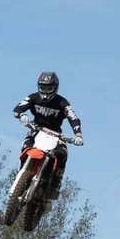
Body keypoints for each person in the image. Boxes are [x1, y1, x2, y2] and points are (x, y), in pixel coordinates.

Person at [12, 71, 84, 201]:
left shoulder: (62, 103)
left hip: (56, 134)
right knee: (25, 146)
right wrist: (22, 115)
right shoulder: (33, 97)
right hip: (35, 129)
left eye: (49, 88)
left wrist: (78, 135)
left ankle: (56, 185)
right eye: (43, 87)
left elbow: (73, 118)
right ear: (39, 86)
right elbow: (17, 108)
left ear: (55, 87)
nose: (45, 91)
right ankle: (22, 174)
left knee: (63, 154)